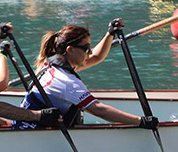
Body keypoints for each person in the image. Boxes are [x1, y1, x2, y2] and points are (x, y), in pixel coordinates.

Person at [12, 23, 157, 130]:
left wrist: (110, 34)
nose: (89, 52)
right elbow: (99, 110)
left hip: (24, 128)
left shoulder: (51, 61)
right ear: (70, 50)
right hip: (32, 136)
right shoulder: (66, 81)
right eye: (86, 48)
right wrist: (141, 121)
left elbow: (97, 56)